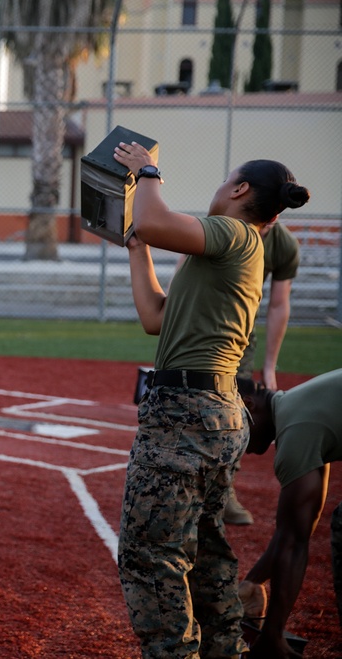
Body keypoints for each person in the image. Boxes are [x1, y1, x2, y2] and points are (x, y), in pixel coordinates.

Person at [113, 142, 310, 659]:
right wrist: (139, 250)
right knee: (202, 553)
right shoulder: (226, 248)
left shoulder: (234, 232)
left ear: (240, 190)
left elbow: (155, 219)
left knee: (150, 555)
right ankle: (225, 649)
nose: (220, 186)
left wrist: (146, 171)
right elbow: (156, 318)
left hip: (187, 412)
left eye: (228, 180)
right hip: (211, 410)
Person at [236, 368, 342, 659]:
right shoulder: (297, 408)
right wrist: (252, 582)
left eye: (231, 426)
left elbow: (294, 542)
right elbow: (302, 526)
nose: (236, 443)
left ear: (248, 405)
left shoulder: (295, 432)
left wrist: (271, 637)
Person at [224, 221, 301, 525]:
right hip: (201, 326)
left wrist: (270, 365)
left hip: (240, 336)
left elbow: (279, 304)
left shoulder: (283, 245)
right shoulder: (225, 224)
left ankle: (222, 491)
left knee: (234, 410)